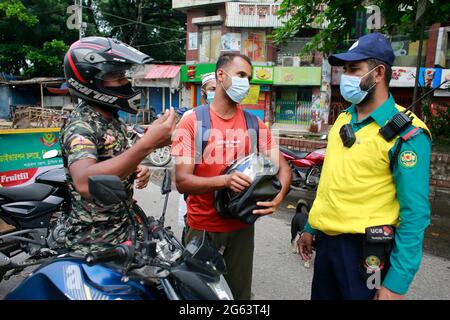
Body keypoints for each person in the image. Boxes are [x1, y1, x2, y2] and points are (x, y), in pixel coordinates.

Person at [298, 33, 432, 300]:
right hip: (327, 249)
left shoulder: (408, 134)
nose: (345, 76)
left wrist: (396, 284)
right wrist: (311, 227)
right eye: (344, 69)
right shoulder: (343, 119)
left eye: (353, 69)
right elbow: (331, 184)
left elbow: (415, 215)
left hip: (366, 255)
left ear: (378, 72)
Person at [171, 53, 291, 299]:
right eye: (240, 75)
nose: (245, 82)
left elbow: (283, 168)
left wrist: (278, 198)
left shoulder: (254, 124)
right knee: (200, 296)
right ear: (220, 75)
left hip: (241, 228)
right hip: (203, 228)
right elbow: (182, 181)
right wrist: (224, 181)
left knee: (238, 296)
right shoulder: (193, 122)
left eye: (248, 77)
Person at [60, 36, 176, 253]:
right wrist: (146, 146)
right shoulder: (81, 126)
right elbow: (85, 182)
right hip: (93, 246)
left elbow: (115, 162)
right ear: (90, 81)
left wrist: (135, 167)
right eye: (116, 77)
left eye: (124, 75)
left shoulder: (113, 120)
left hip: (123, 235)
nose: (125, 83)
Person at [177, 72, 217, 234]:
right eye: (213, 88)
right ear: (204, 94)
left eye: (220, 88)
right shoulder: (191, 117)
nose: (217, 92)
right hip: (195, 188)